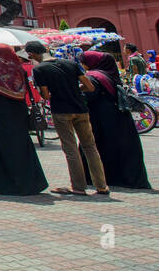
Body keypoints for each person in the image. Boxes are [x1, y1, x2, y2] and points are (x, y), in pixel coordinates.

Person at [25, 40, 108, 196]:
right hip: (81, 109)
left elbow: (45, 95)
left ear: (31, 54)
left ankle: (78, 187)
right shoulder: (71, 63)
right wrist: (74, 90)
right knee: (90, 147)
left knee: (70, 149)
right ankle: (101, 186)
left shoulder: (39, 69)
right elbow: (90, 86)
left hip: (61, 111)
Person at [0, 45, 48, 195]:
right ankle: (31, 182)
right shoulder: (18, 68)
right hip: (18, 114)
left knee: (1, 149)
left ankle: (6, 184)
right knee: (21, 147)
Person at [80, 50, 150, 190]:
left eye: (84, 61)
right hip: (119, 119)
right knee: (123, 150)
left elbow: (89, 97)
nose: (82, 64)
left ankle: (101, 178)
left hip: (102, 120)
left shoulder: (94, 77)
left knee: (99, 148)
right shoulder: (109, 74)